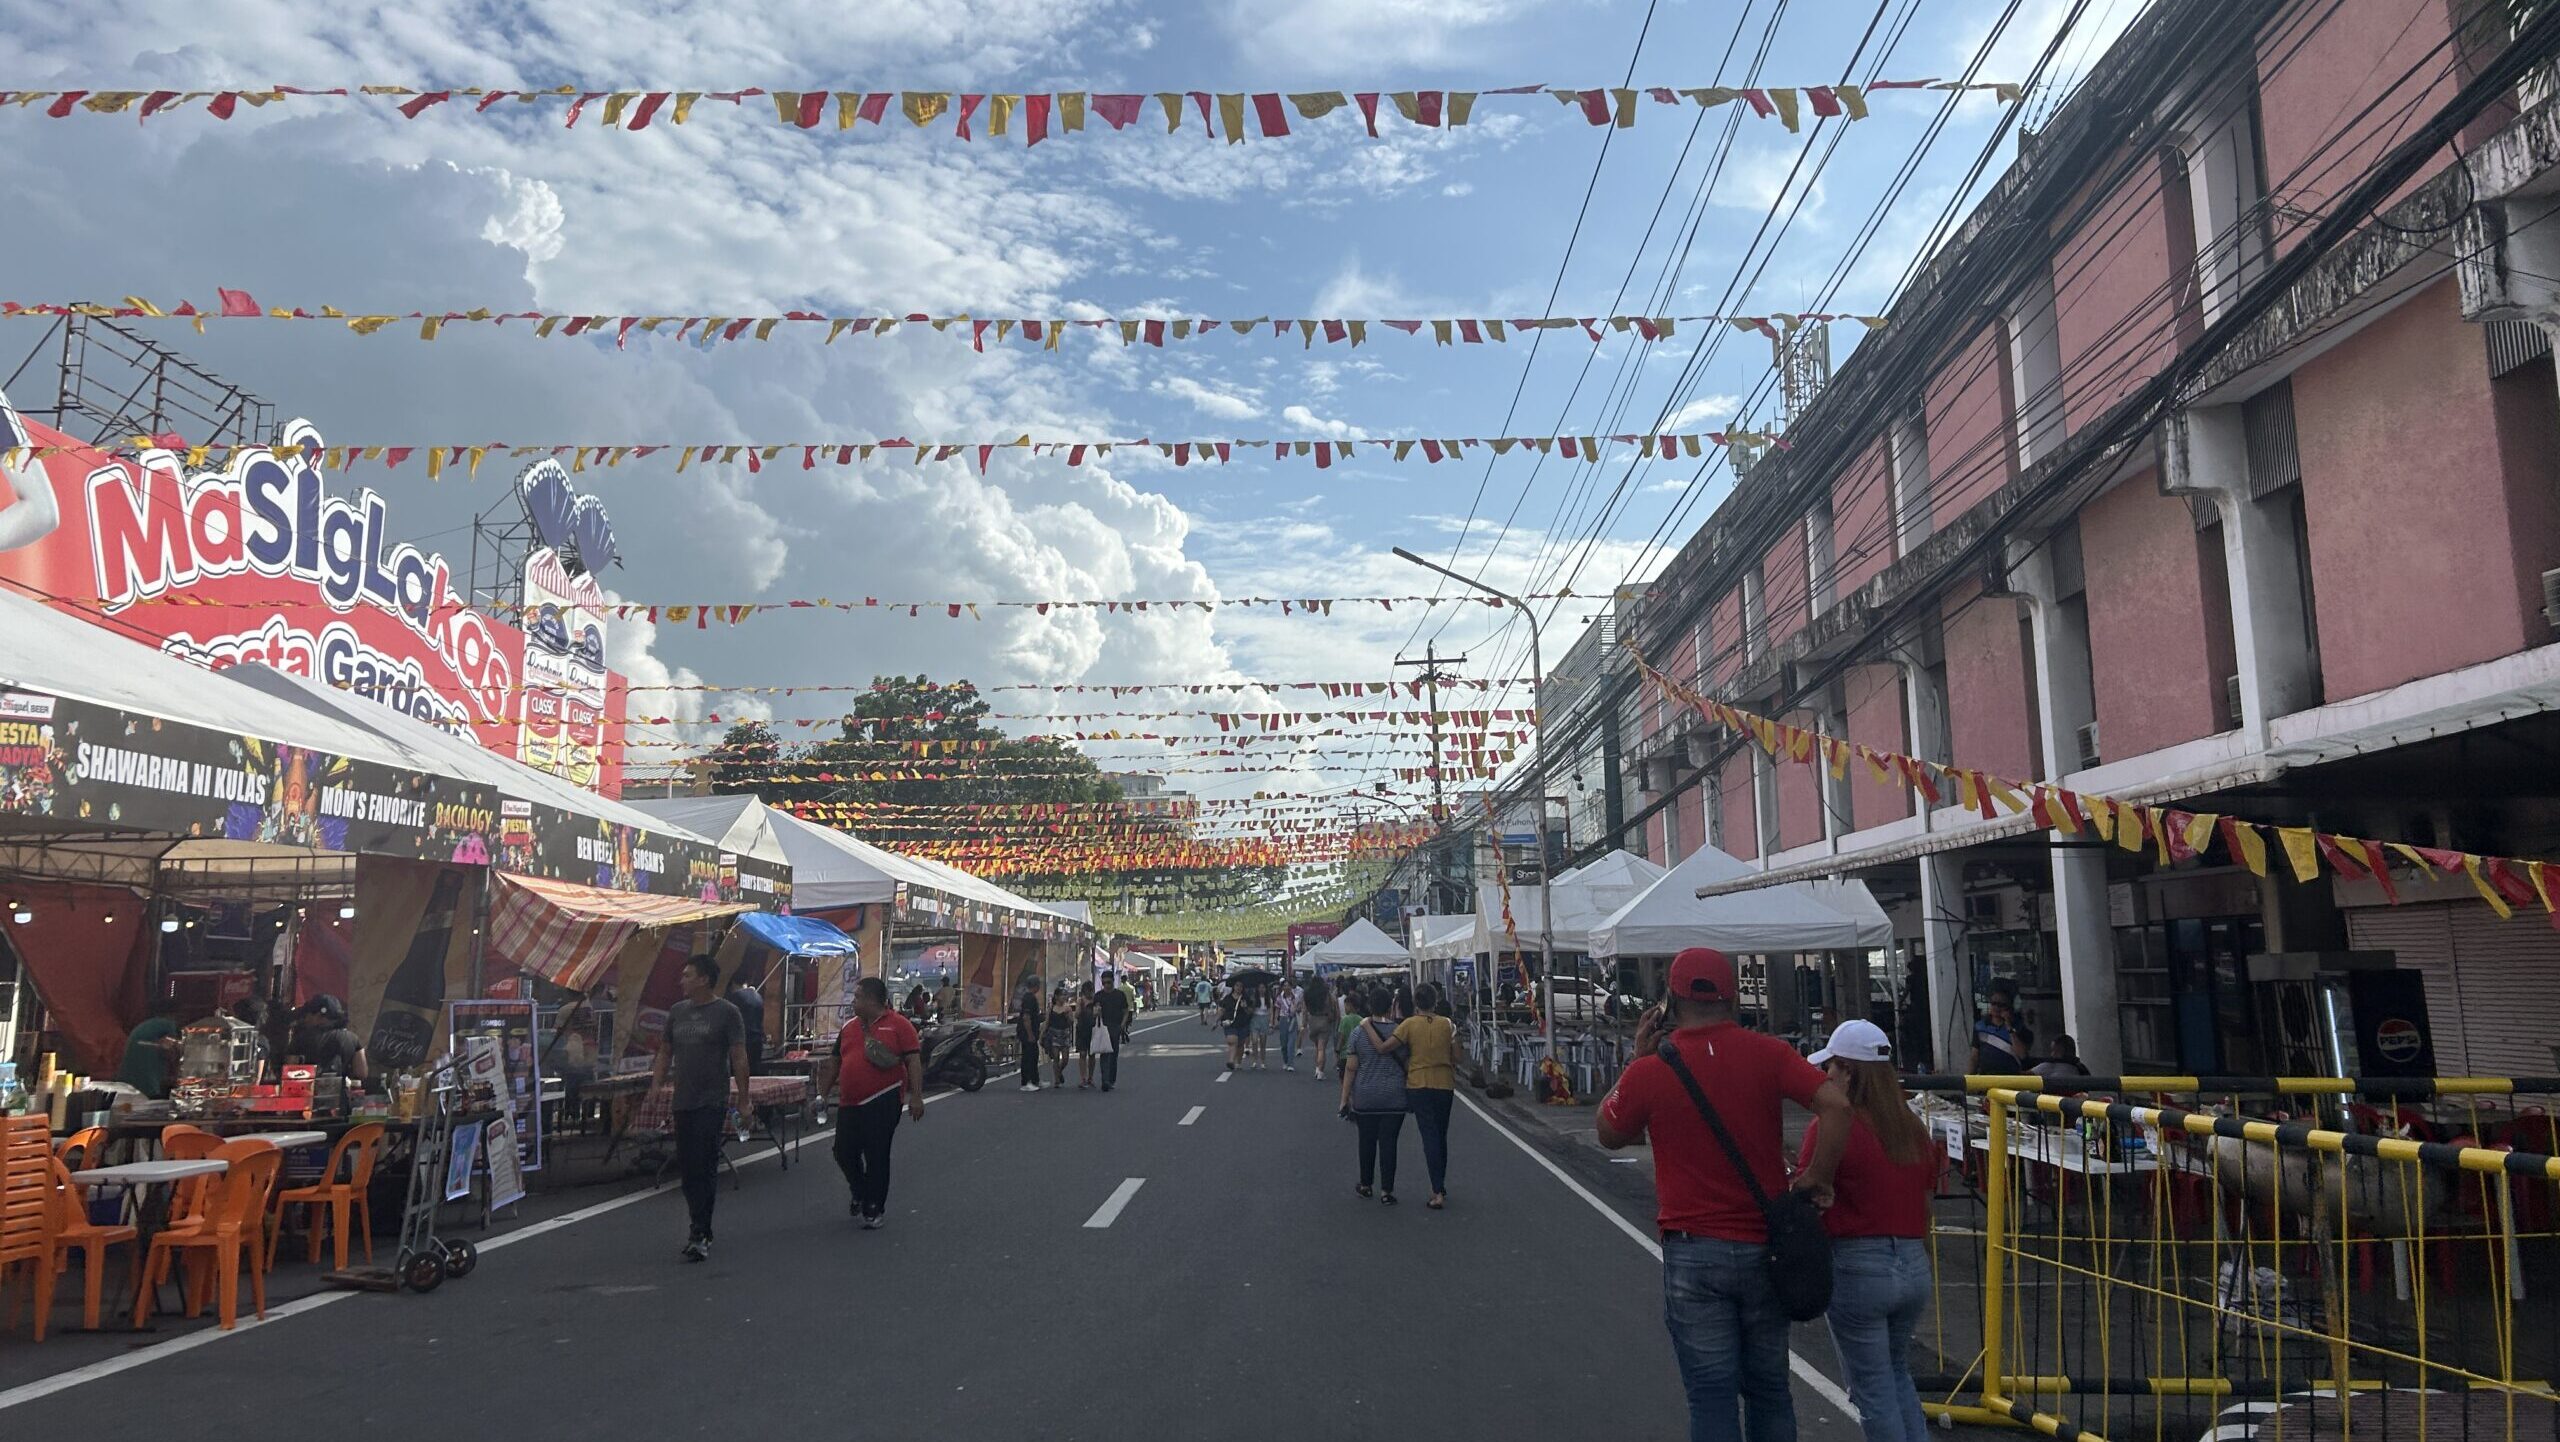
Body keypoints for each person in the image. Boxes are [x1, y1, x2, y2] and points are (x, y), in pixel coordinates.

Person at [1597, 947, 1854, 1442]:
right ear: (1733, 995)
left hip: (1695, 1250)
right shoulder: (1770, 1053)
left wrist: (1637, 1058)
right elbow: (1837, 1105)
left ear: (1669, 1002)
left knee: (1711, 1395)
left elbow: (1609, 1131)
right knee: (1770, 1389)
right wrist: (1818, 1177)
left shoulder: (1651, 1070)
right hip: (1765, 1245)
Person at [1800, 1020, 1939, 1442]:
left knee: (1872, 1390)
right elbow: (1926, 1200)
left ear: (1847, 1070)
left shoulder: (1832, 1128)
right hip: (1912, 1264)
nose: (1824, 1078)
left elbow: (1808, 1190)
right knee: (1897, 1376)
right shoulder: (1913, 1128)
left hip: (1858, 1264)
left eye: (1830, 1069)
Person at [652, 956, 751, 1261]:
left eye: (687, 975)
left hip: (712, 1099)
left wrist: (744, 1098)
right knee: (687, 1167)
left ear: (704, 979)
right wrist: (657, 1085)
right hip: (683, 1099)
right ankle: (698, 1221)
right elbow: (665, 1050)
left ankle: (700, 1230)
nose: (681, 980)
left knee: (705, 1164)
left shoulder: (727, 1013)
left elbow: (738, 1056)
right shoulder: (677, 1013)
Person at [834, 975, 924, 1229]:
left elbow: (913, 1061)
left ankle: (874, 1206)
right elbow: (835, 1060)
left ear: (872, 1000)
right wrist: (822, 1092)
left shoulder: (900, 1025)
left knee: (876, 1153)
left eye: (858, 997)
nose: (854, 1002)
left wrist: (916, 1096)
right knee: (843, 1151)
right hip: (849, 1101)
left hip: (884, 1098)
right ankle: (859, 1189)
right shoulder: (849, 1027)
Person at [1377, 982, 1458, 1209]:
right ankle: (1439, 1184)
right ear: (1435, 1001)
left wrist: (1367, 1029)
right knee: (1441, 1135)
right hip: (1444, 1083)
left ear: (1416, 1003)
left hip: (1418, 1083)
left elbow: (1386, 1047)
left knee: (1429, 1135)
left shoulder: (1409, 1025)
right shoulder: (1447, 1024)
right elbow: (1457, 1056)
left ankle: (1437, 1189)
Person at [1339, 986, 1409, 1203]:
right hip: (1394, 1095)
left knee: (1366, 1141)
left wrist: (1344, 1099)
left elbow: (1351, 1068)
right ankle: (1387, 1191)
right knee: (1389, 1144)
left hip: (1366, 1095)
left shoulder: (1359, 1033)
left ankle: (1366, 1184)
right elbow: (1407, 1062)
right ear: (1390, 1007)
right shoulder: (1400, 1031)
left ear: (1370, 1006)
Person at [287, 995, 369, 1083]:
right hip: (341, 1094)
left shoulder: (301, 1038)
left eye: (308, 1015)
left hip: (308, 1093)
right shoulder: (353, 1038)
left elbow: (289, 1072)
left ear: (318, 1016)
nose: (306, 1019)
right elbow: (361, 1073)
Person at [118, 998, 184, 1099]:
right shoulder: (167, 1024)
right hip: (149, 1079)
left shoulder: (148, 1024)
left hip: (128, 1077)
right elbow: (172, 1051)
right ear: (175, 1014)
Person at [1970, 981, 2024, 1076]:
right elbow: (1974, 1057)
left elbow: (2022, 1055)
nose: (1996, 1007)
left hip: (2011, 1078)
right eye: (1993, 1003)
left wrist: (2009, 1026)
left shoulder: (2018, 1028)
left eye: (2001, 1005)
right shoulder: (1980, 1027)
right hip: (1987, 1078)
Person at [1094, 971, 1133, 1092]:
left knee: (1113, 1054)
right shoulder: (1099, 995)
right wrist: (1097, 1012)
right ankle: (1105, 1080)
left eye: (1108, 982)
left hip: (1115, 1027)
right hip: (1103, 1027)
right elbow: (1094, 1012)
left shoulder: (1119, 995)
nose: (1106, 985)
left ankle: (1111, 1079)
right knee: (1104, 1053)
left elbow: (1125, 1010)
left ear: (1113, 981)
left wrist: (1122, 1025)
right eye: (1104, 982)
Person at [726, 967, 768, 1073]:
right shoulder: (758, 997)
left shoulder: (735, 997)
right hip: (757, 1042)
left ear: (733, 983)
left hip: (741, 1043)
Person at [1013, 977, 1046, 1093]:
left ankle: (1035, 1080)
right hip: (1027, 1032)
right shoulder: (1029, 998)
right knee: (1028, 1056)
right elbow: (1026, 1017)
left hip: (1030, 1031)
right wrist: (1030, 1034)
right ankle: (1026, 1082)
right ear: (1035, 985)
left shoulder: (1030, 997)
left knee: (1034, 1055)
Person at [1043, 984, 1076, 1089]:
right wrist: (1042, 1034)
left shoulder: (1068, 1008)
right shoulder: (1052, 1008)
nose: (1064, 997)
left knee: (1065, 1058)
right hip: (1054, 1034)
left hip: (1064, 1034)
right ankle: (1056, 1080)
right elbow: (1047, 1022)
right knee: (1056, 1057)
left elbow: (1071, 1021)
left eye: (1065, 995)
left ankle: (1059, 1071)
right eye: (1062, 995)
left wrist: (1067, 1016)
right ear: (1056, 996)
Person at [1304, 976, 1337, 1079]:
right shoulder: (1326, 993)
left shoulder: (1307, 993)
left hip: (1312, 1019)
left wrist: (1304, 1022)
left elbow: (1305, 1009)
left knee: (1317, 1047)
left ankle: (1317, 1068)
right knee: (1322, 1048)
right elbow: (1331, 1004)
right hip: (1324, 1020)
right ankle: (1320, 1071)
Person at [1222, 980, 1256, 1073]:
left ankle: (1238, 1062)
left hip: (1242, 1023)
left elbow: (1251, 1012)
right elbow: (1222, 1009)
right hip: (1230, 1023)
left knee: (1240, 1044)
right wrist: (1217, 1021)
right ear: (1233, 986)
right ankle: (1231, 1061)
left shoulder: (1246, 998)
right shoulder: (1228, 998)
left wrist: (1245, 1007)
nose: (1238, 988)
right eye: (1237, 985)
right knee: (1232, 1041)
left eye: (1241, 986)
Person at [1272, 977, 1303, 1072]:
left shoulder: (1295, 997)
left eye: (1288, 985)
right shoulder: (1279, 997)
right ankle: (1285, 1061)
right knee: (1284, 1043)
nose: (1286, 987)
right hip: (1283, 1019)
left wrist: (1297, 1009)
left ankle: (1290, 1063)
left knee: (1291, 1042)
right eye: (1284, 986)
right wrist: (1275, 1020)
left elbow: (1300, 1007)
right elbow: (1277, 1009)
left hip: (1292, 1019)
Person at [1075, 981, 1100, 1090]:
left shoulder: (1096, 1001)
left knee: (1092, 1054)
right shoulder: (1080, 1001)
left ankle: (1090, 1077)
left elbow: (1097, 1014)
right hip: (1082, 1029)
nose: (1090, 993)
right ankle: (1083, 1078)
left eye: (1091, 991)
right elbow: (1076, 1014)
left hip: (1093, 1029)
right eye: (1088, 991)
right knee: (1082, 1053)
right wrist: (1081, 1006)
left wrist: (1097, 1010)